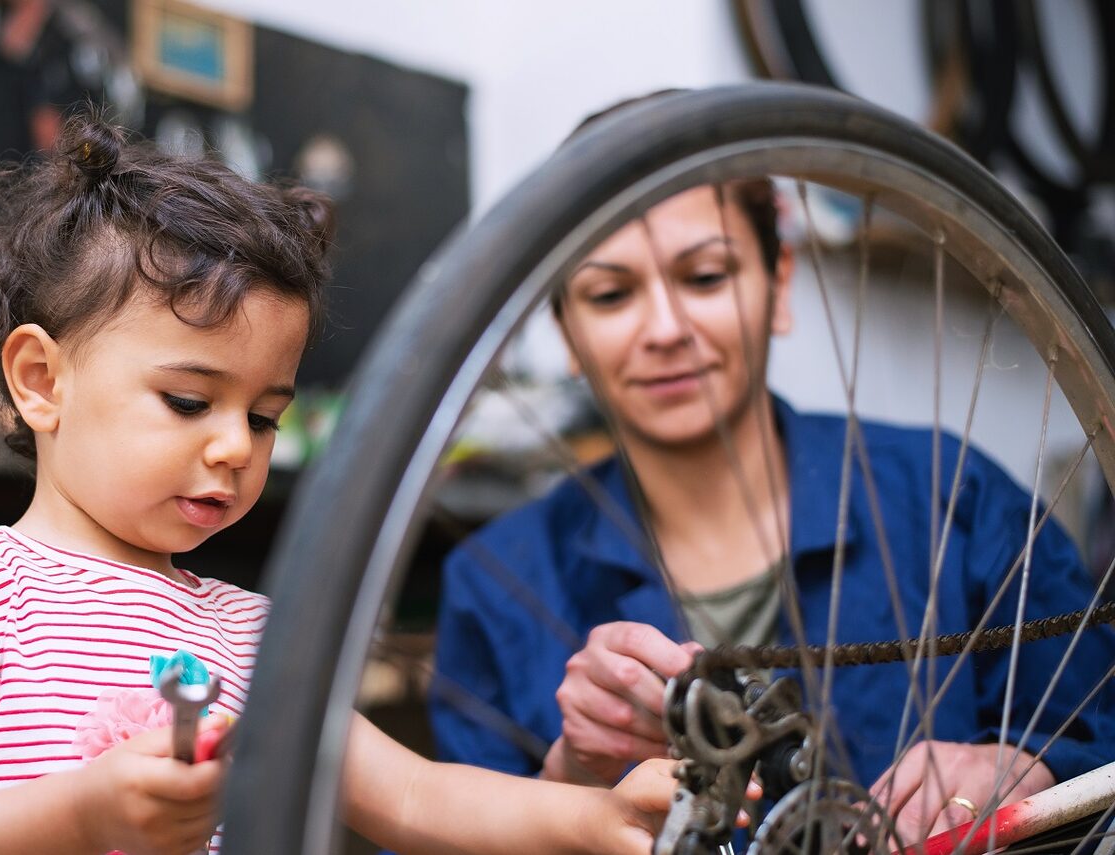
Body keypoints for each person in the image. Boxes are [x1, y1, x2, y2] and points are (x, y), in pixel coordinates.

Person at [0, 106, 679, 855]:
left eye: (264, 416)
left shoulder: (254, 639)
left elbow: (416, 798)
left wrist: (596, 820)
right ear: (42, 380)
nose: (236, 445)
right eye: (190, 400)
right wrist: (83, 814)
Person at [430, 102, 1115, 847]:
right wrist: (572, 777)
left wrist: (1021, 766)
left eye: (704, 275)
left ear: (779, 280)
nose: (664, 329)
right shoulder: (493, 583)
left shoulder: (958, 497)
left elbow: (1099, 732)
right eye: (610, 293)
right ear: (565, 329)